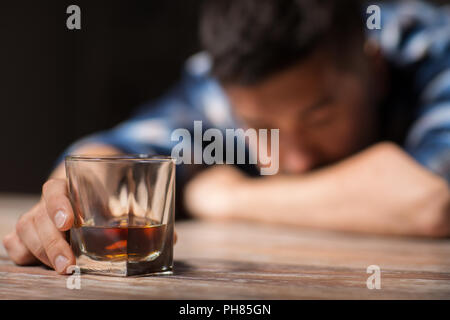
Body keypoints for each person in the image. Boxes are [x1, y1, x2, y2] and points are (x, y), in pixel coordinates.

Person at [3, 0, 449, 274]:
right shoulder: (225, 79)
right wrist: (70, 197)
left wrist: (221, 196)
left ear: (375, 70)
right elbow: (119, 149)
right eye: (259, 127)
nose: (291, 161)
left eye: (320, 116)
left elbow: (431, 200)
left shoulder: (434, 47)